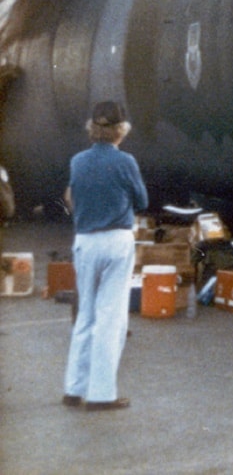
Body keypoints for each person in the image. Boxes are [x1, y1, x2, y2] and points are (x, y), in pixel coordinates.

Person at [62, 101, 148, 411]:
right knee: (110, 317)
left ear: (93, 129)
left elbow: (71, 196)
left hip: (84, 240)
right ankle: (101, 394)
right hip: (116, 240)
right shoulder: (126, 161)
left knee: (85, 315)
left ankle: (73, 388)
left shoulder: (77, 161)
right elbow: (142, 199)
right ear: (121, 131)